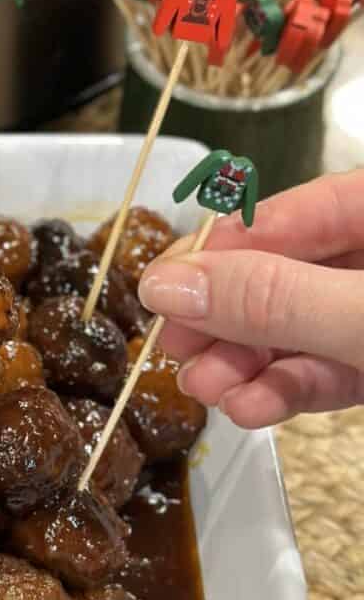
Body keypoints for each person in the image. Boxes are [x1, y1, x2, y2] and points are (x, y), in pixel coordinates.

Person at [138, 168, 364, 429]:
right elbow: (201, 173)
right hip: (213, 200)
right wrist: (183, 191)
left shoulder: (243, 169)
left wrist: (247, 215)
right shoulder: (222, 164)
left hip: (218, 204)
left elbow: (250, 190)